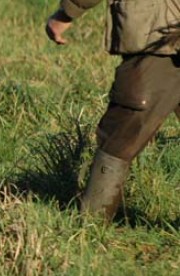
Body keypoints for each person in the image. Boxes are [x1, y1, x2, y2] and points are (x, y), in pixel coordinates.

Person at [45, 0, 179, 222]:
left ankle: (90, 226)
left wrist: (67, 13)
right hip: (160, 34)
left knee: (122, 132)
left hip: (156, 38)